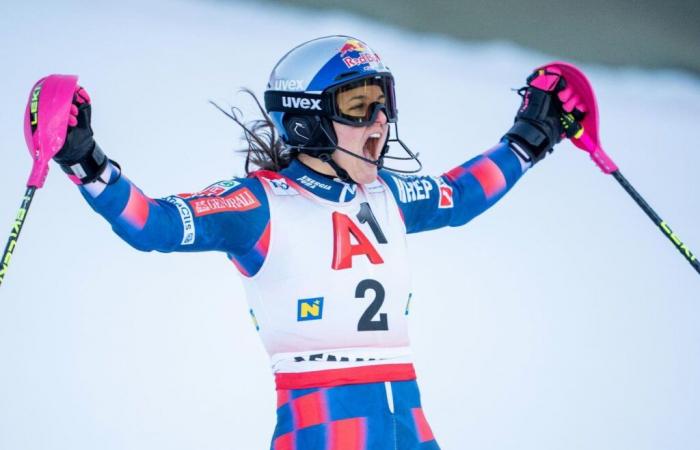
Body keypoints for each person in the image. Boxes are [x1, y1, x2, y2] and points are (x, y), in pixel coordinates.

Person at [52, 35, 583, 449]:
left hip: (409, 428)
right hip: (324, 430)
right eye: (357, 104)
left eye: (383, 101)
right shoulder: (262, 204)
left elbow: (462, 194)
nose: (379, 120)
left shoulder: (389, 194)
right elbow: (155, 225)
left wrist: (529, 139)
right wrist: (87, 163)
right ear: (306, 122)